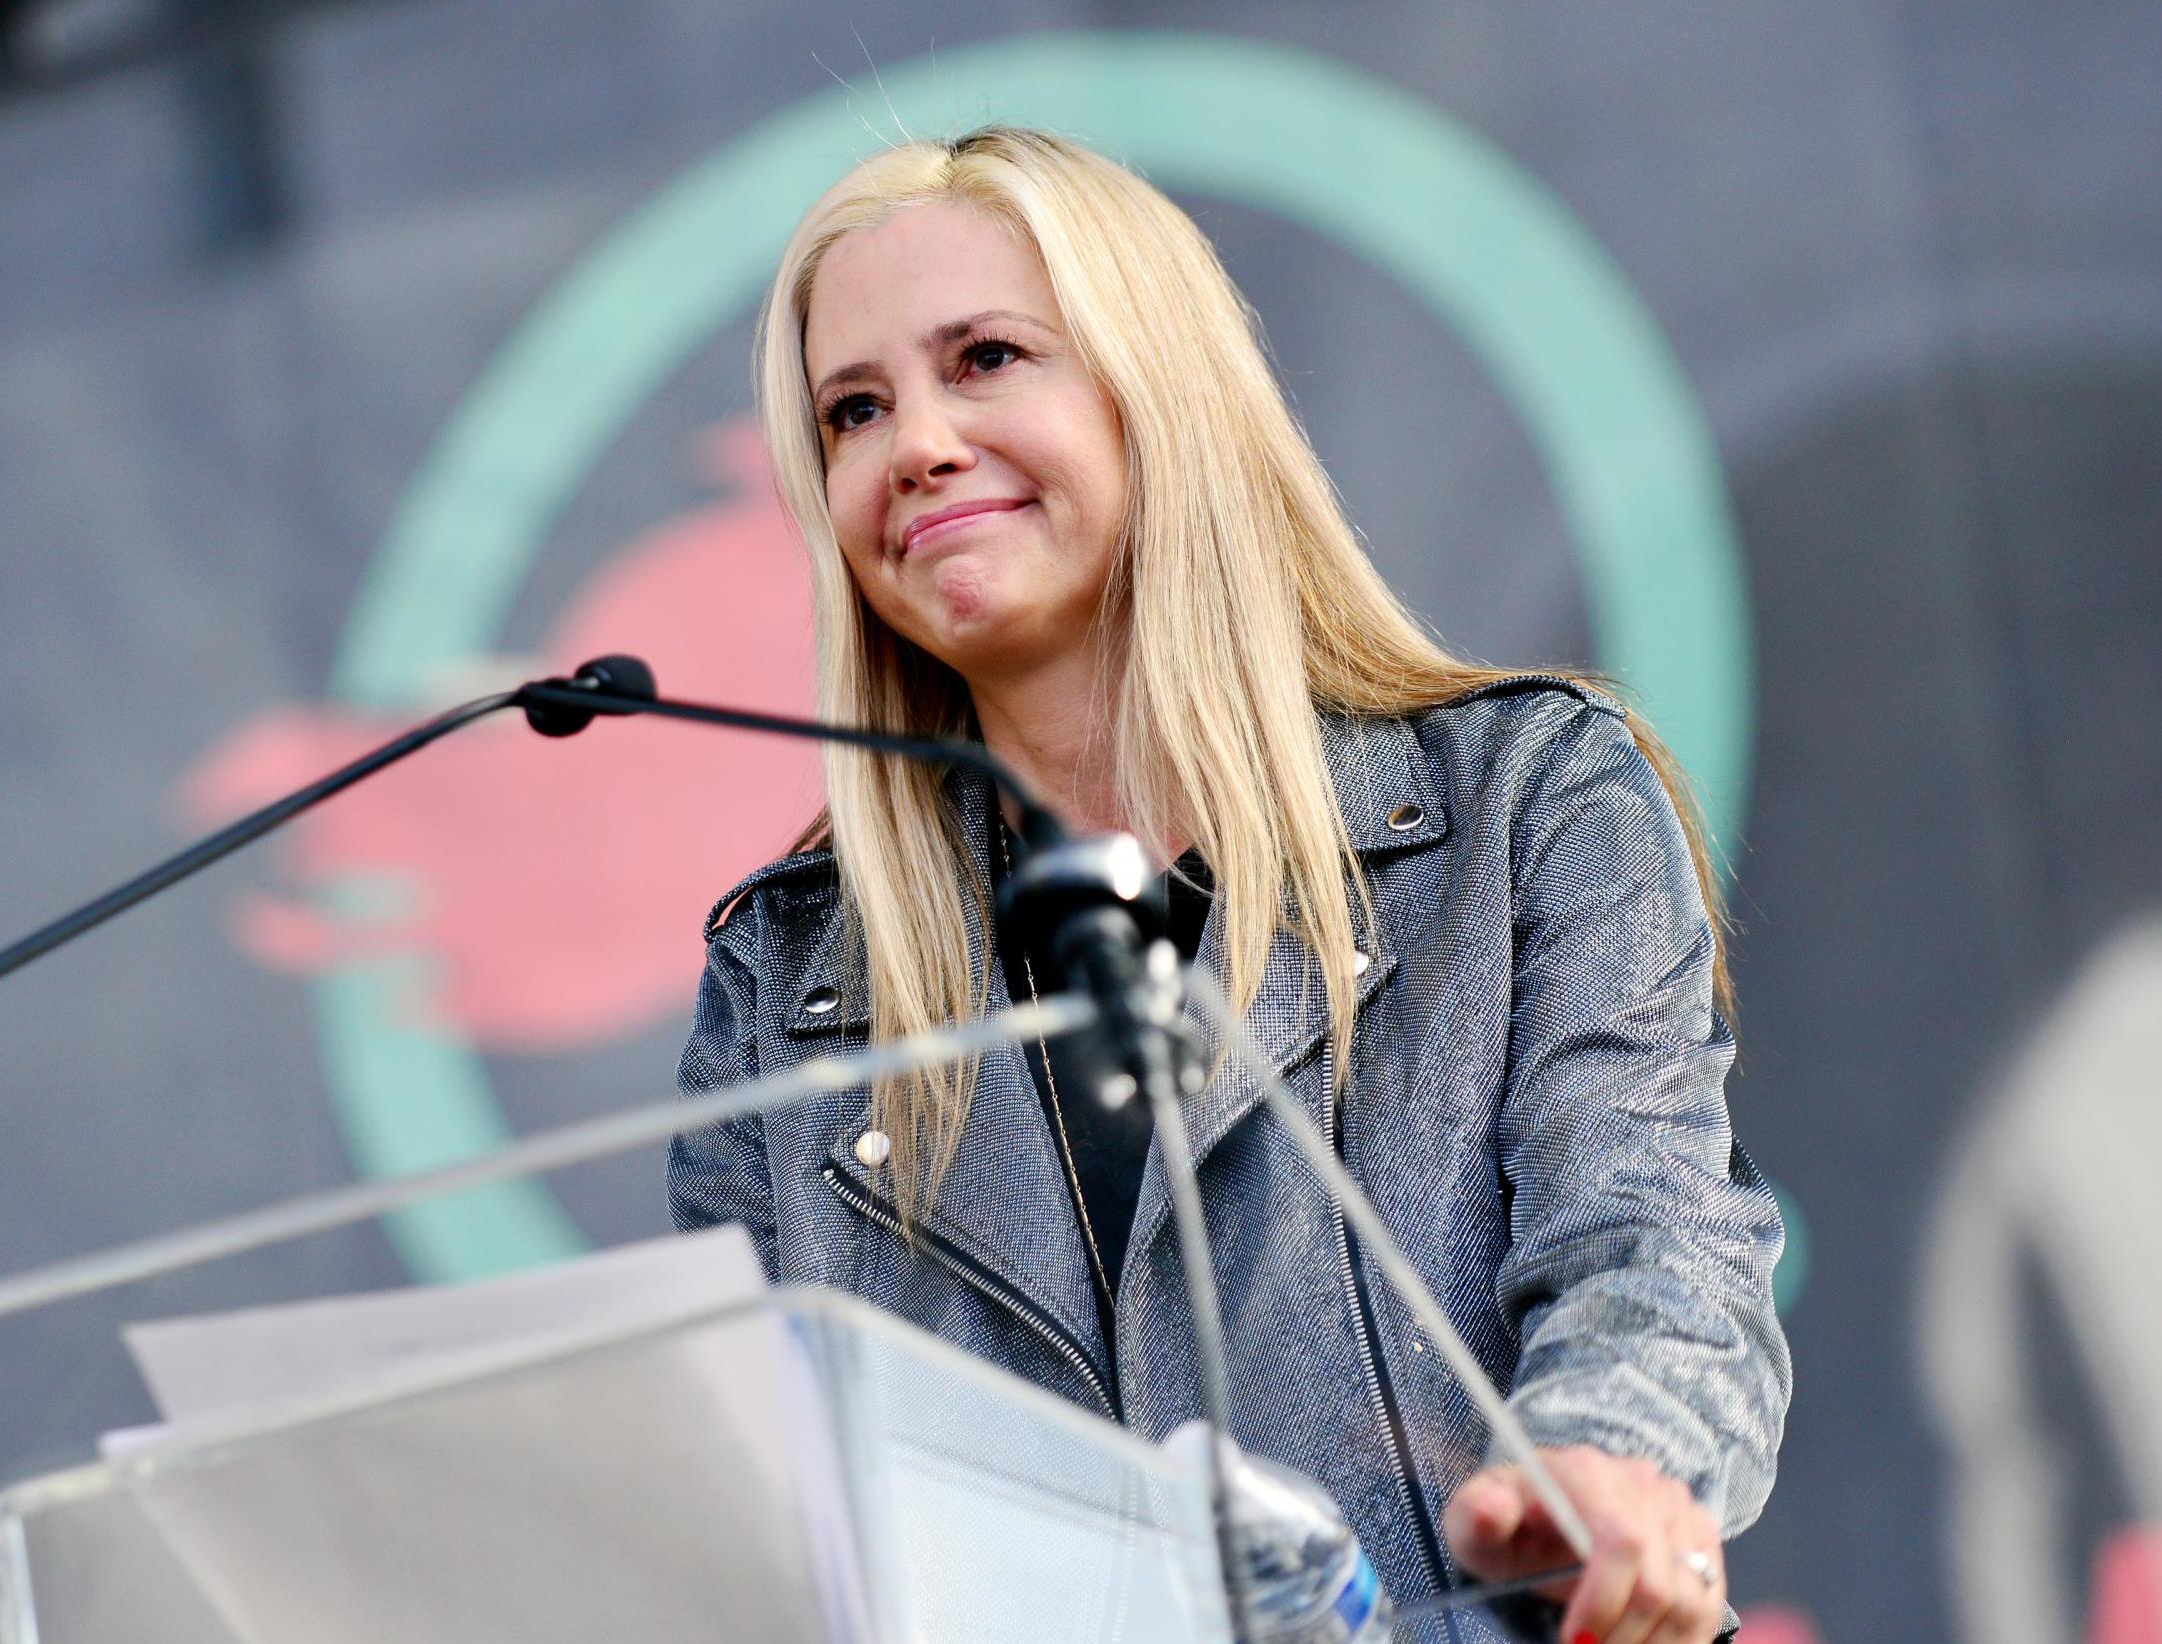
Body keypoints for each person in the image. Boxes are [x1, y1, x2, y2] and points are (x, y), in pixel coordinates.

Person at [670, 125, 1789, 1644]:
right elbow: (758, 1529)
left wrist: (1606, 1474)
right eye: (852, 410)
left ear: (1163, 395)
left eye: (987, 358)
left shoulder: (1530, 799)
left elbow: (1653, 1249)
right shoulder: (780, 991)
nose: (915, 441)